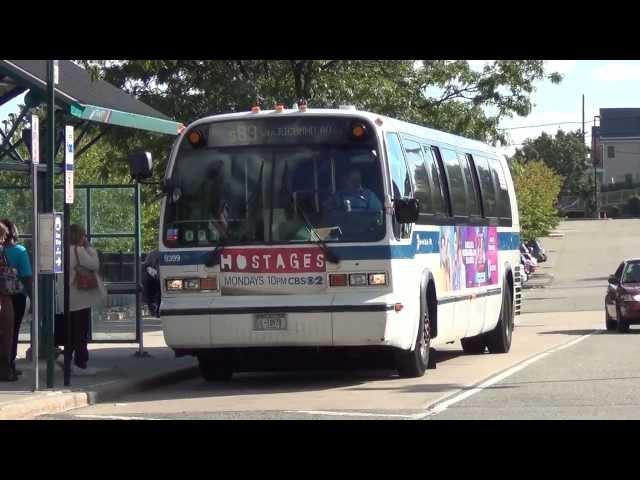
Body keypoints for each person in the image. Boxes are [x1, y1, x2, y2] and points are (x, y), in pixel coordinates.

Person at [55, 224, 107, 376]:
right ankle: (80, 363)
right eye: (83, 235)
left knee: (71, 331)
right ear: (79, 236)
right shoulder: (78, 250)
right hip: (79, 297)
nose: (85, 238)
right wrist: (90, 248)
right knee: (80, 331)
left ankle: (66, 357)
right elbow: (94, 264)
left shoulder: (62, 251)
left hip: (66, 297)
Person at [0, 219, 32, 379]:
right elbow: (26, 276)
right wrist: (32, 297)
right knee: (12, 332)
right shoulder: (20, 251)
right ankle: (8, 367)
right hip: (15, 296)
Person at [0, 222, 17, 381]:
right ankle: (5, 371)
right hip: (3, 297)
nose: (4, 239)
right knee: (7, 335)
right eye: (3, 236)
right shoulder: (2, 252)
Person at [142, 250, 161, 317]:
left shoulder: (152, 253)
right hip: (154, 277)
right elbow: (147, 266)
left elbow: (146, 265)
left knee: (156, 293)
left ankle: (155, 309)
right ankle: (154, 309)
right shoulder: (153, 253)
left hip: (156, 277)